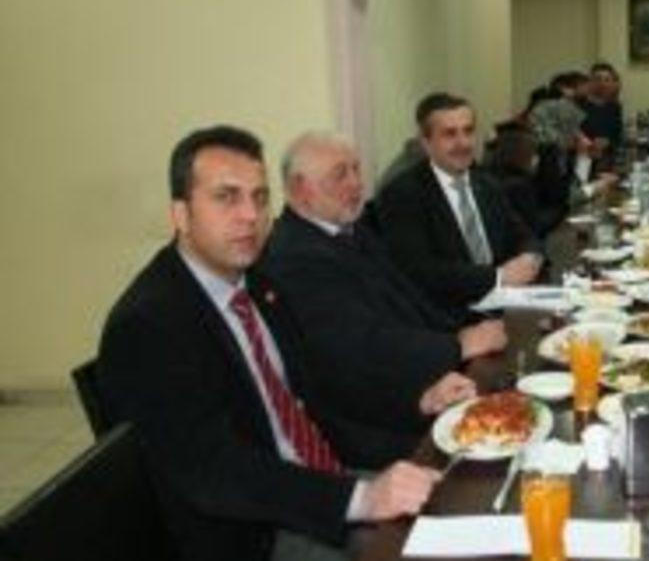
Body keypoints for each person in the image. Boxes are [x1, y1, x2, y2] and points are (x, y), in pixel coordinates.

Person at [97, 126, 442, 561]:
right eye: (226, 197)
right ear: (181, 215)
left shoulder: (258, 284)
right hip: (253, 532)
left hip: (314, 480)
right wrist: (361, 499)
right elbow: (215, 470)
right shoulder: (149, 324)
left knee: (457, 496)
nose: (250, 215)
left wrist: (417, 402)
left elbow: (319, 393)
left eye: (259, 198)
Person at [262, 132, 506, 464]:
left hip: (419, 384)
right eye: (340, 174)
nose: (355, 183)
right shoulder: (294, 257)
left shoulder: (349, 229)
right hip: (375, 422)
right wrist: (457, 346)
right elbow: (361, 346)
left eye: (356, 169)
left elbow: (410, 298)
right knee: (495, 454)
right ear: (301, 189)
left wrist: (470, 327)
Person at [376, 93, 542, 318]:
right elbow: (421, 271)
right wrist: (498, 276)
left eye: (468, 131)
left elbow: (523, 234)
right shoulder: (403, 194)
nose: (463, 143)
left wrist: (529, 257)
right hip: (447, 318)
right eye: (449, 134)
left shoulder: (486, 184)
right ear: (426, 142)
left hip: (505, 305)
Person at [579, 62, 624, 165]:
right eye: (598, 79)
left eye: (607, 80)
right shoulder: (579, 106)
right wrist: (590, 144)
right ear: (590, 82)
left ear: (612, 83)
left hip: (609, 159)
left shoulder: (614, 107)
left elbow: (618, 136)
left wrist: (608, 142)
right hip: (584, 160)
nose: (602, 84)